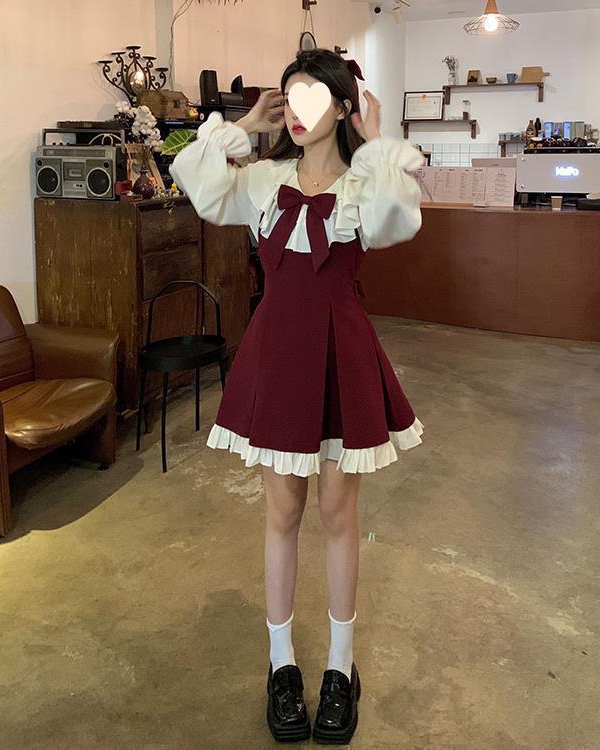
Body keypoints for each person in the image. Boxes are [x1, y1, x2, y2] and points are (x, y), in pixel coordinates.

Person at [170, 47, 425, 745]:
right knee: (281, 513)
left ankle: (341, 666)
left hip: (342, 354)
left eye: (316, 96)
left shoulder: (364, 186)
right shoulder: (263, 180)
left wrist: (377, 143)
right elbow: (198, 184)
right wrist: (240, 127)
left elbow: (399, 221)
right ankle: (281, 664)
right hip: (278, 355)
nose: (300, 110)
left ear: (342, 107)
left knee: (339, 514)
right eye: (291, 96)